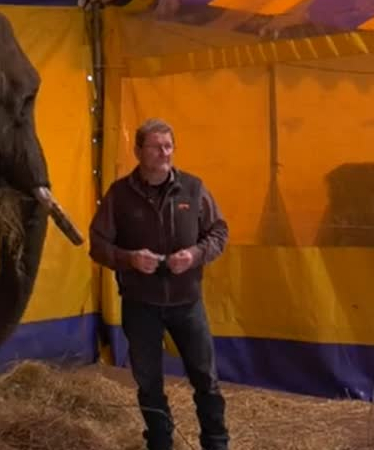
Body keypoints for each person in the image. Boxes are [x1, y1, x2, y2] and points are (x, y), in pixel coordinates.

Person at [88, 118, 230, 450]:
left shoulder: (193, 188)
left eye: (169, 146)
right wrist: (130, 259)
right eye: (156, 147)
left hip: (187, 303)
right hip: (140, 304)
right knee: (149, 383)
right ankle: (160, 443)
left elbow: (219, 232)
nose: (165, 153)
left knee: (206, 379)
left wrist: (194, 255)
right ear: (138, 151)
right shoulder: (119, 195)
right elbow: (98, 245)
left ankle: (216, 443)